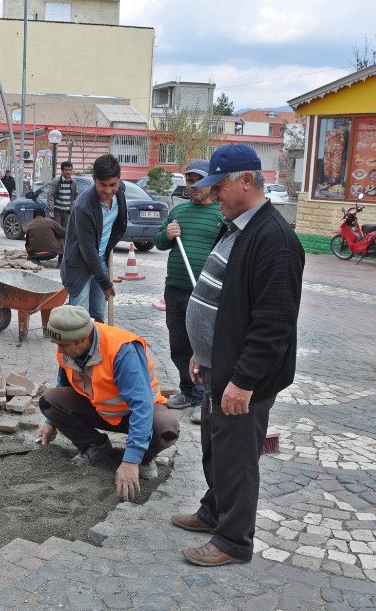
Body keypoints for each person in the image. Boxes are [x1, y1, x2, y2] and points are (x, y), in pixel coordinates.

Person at [174, 144, 304, 567]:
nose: (214, 196)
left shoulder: (275, 240)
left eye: (220, 187)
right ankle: (214, 511)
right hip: (217, 365)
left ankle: (233, 540)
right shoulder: (237, 226)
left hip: (242, 378)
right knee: (216, 445)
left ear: (247, 181)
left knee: (239, 455)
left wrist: (244, 380)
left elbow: (273, 326)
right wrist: (202, 352)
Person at [37, 305, 180, 500]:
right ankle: (95, 447)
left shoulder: (122, 350)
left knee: (167, 429)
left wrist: (131, 460)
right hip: (100, 409)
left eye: (63, 346)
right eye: (57, 344)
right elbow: (65, 383)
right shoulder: (67, 346)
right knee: (49, 401)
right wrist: (50, 421)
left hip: (135, 415)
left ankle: (143, 459)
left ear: (82, 339)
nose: (59, 350)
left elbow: (142, 406)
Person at [153, 159, 225, 423]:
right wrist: (167, 234)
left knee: (201, 345)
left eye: (198, 180)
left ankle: (202, 397)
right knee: (179, 344)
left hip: (203, 293)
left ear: (210, 183)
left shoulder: (220, 215)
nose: (193, 185)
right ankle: (187, 391)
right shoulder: (178, 211)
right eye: (189, 180)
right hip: (175, 288)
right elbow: (158, 242)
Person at [60, 154, 127, 323]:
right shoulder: (84, 206)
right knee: (80, 320)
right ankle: (73, 349)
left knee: (97, 317)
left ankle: (97, 349)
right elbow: (87, 250)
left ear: (119, 179)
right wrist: (106, 283)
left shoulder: (120, 192)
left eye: (113, 184)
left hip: (100, 262)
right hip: (79, 266)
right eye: (102, 185)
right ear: (94, 179)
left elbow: (119, 224)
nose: (108, 190)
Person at [46, 161, 79, 228]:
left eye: (70, 170)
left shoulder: (73, 182)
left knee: (65, 233)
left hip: (67, 212)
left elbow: (76, 195)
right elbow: (50, 195)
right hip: (56, 211)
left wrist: (75, 207)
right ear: (62, 170)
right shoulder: (56, 181)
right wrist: (51, 209)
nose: (68, 172)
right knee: (56, 231)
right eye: (66, 170)